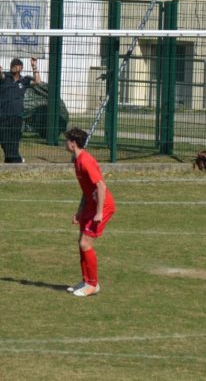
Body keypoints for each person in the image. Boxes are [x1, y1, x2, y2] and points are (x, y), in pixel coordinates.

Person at [65, 127, 116, 297]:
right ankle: (86, 280)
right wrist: (80, 212)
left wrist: (99, 213)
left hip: (102, 206)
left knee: (85, 244)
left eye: (67, 140)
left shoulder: (85, 161)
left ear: (73, 143)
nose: (65, 143)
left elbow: (101, 186)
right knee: (81, 242)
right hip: (90, 205)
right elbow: (87, 190)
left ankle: (93, 285)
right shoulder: (77, 160)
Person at [0, 57, 40, 163]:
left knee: (14, 139)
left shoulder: (24, 80)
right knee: (2, 137)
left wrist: (34, 66)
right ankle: (17, 159)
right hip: (2, 114)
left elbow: (37, 81)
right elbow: (0, 75)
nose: (14, 67)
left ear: (21, 67)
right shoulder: (5, 77)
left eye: (16, 65)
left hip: (17, 115)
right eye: (12, 65)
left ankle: (11, 160)